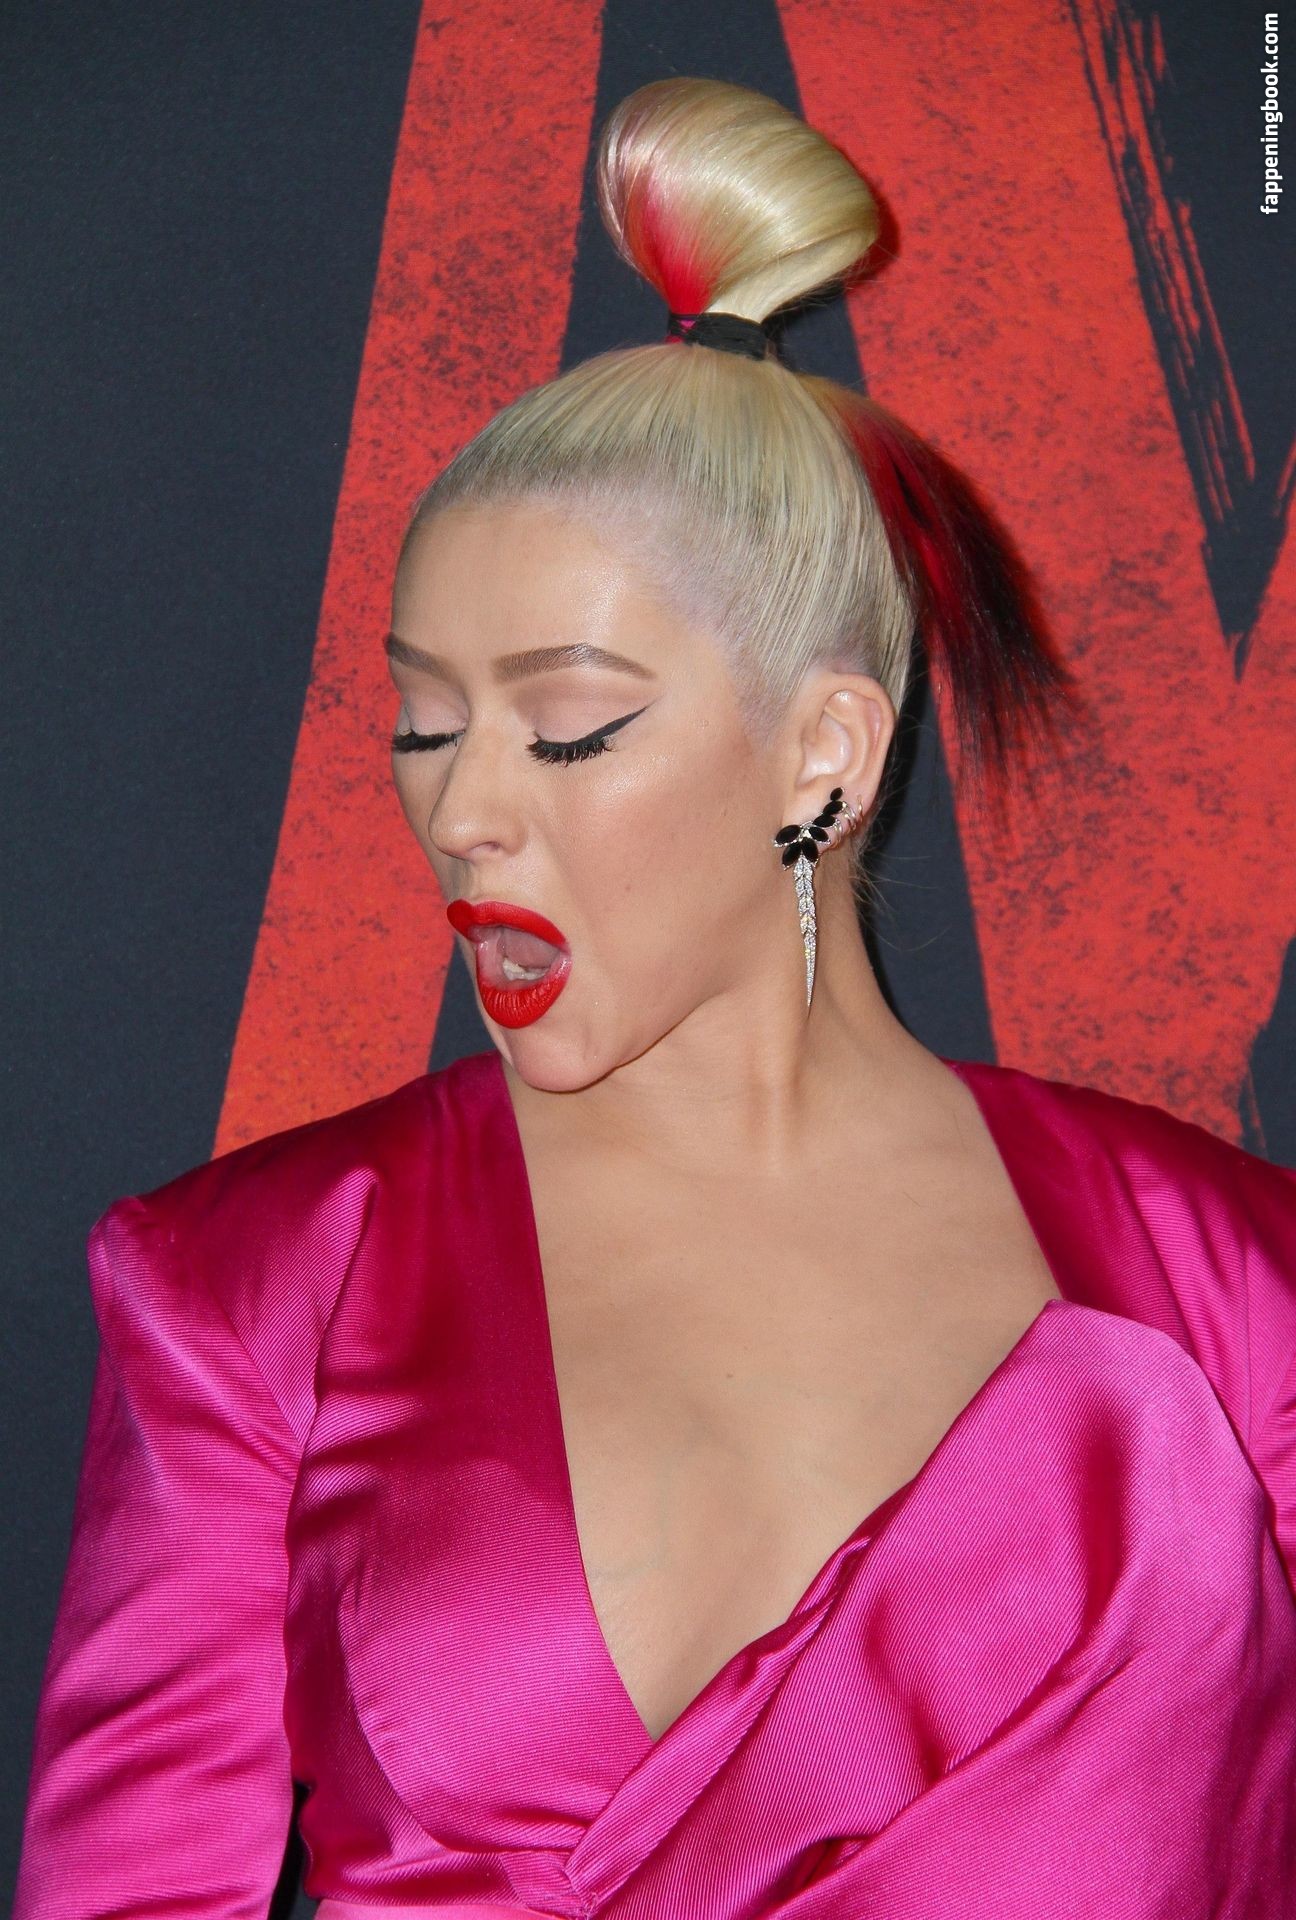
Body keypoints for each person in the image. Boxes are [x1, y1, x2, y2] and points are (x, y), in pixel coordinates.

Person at [13, 75, 1296, 1920]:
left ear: (824, 754)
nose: (462, 808)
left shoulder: (1234, 1278)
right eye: (424, 724)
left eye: (567, 724)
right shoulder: (253, 1284)